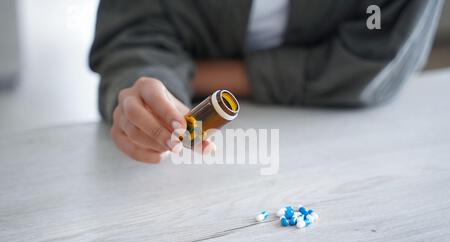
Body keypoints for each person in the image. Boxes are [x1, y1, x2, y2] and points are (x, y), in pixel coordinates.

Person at [89, 0, 443, 163]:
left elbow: (377, 57)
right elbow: (132, 34)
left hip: (350, 142)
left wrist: (201, 72)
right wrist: (147, 90)